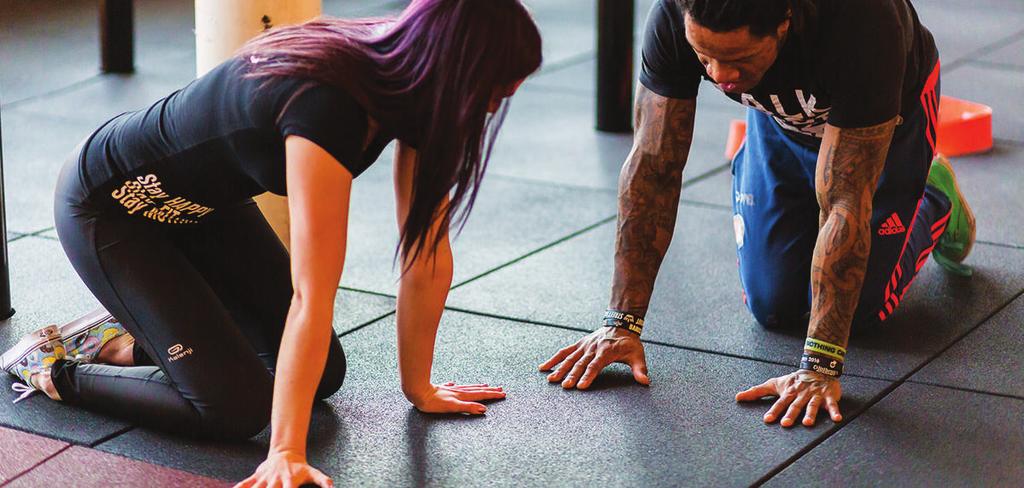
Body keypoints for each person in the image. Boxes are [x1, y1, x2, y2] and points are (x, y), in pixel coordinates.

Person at [0, 1, 541, 486]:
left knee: (322, 370)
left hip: (205, 208)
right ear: (455, 67)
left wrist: (419, 389)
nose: (494, 107)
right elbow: (312, 290)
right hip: (114, 208)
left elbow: (425, 252)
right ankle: (52, 366)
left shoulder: (411, 89)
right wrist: (285, 451)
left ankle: (134, 332)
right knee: (234, 409)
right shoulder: (329, 104)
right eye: (493, 90)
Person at [541, 0, 974, 429]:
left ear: (785, 22)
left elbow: (847, 200)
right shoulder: (675, 14)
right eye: (704, 56)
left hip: (884, 128)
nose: (720, 75)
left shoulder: (862, 22)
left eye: (738, 59)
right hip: (782, 120)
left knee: (860, 313)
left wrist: (819, 367)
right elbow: (652, 168)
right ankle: (774, 173)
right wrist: (621, 323)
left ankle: (934, 193)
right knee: (774, 306)